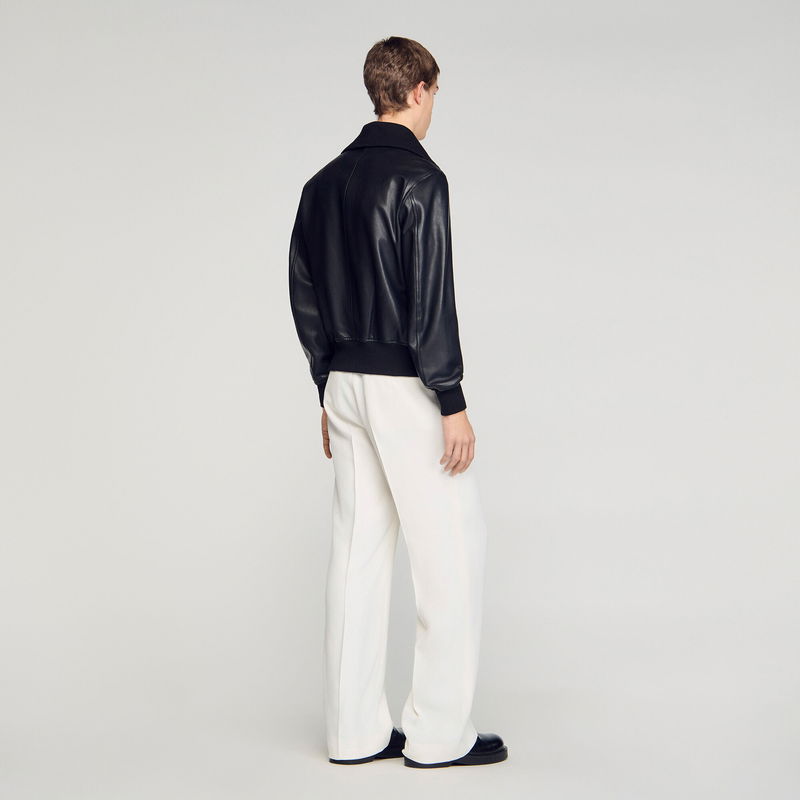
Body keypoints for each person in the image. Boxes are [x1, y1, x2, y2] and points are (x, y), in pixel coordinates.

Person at [288, 36, 507, 769]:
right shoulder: (420, 178)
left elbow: (304, 294)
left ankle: (353, 733)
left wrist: (327, 387)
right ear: (417, 90)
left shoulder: (321, 185)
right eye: (435, 93)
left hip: (346, 385)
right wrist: (451, 398)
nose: (434, 105)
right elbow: (429, 296)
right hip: (407, 385)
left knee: (357, 552)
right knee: (450, 552)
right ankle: (439, 735)